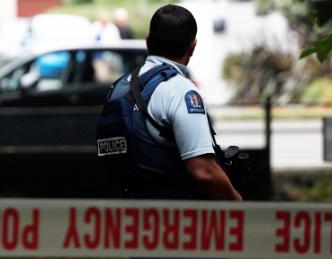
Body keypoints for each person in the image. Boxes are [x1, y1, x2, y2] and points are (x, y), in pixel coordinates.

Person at [99, 4, 242, 201]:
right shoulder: (180, 90)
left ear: (148, 41)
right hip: (172, 221)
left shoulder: (118, 88)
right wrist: (238, 204)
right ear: (193, 45)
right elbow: (203, 172)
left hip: (125, 217)